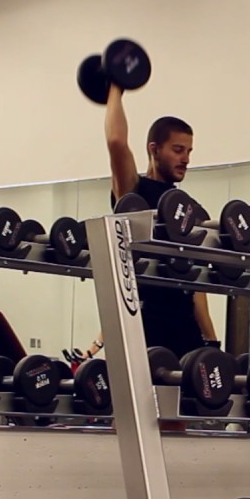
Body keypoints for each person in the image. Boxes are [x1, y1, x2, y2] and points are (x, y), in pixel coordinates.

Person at [84, 84, 218, 360]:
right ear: (154, 150)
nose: (186, 159)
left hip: (185, 332)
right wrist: (115, 89)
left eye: (189, 151)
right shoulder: (135, 192)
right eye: (178, 150)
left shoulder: (191, 209)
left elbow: (197, 288)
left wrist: (213, 343)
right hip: (144, 326)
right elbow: (116, 143)